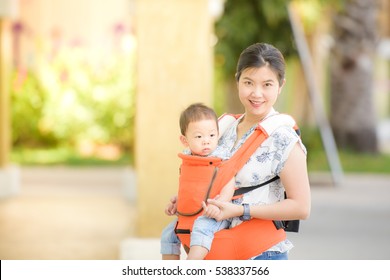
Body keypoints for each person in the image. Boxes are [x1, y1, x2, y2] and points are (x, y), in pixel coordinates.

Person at [164, 42, 311, 260]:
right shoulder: (221, 127)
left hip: (260, 255)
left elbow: (301, 207)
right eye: (248, 82)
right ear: (237, 81)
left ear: (281, 86)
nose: (257, 93)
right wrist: (187, 198)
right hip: (216, 252)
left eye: (267, 84)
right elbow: (212, 178)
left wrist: (241, 211)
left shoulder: (283, 138)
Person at [160, 103, 236, 260]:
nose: (206, 141)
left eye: (212, 135)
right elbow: (190, 186)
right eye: (199, 136)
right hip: (191, 213)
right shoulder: (189, 159)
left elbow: (229, 184)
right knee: (168, 233)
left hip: (214, 214)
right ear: (185, 140)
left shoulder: (220, 158)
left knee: (201, 228)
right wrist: (178, 202)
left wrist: (219, 205)